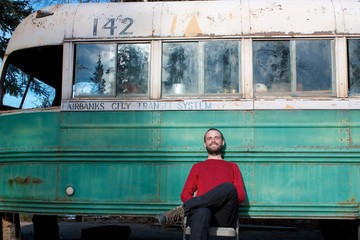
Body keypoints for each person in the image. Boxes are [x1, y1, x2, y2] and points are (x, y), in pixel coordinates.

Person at [156, 128, 246, 240]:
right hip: (201, 212)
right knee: (202, 211)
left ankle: (183, 209)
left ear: (222, 142)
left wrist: (214, 199)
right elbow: (185, 194)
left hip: (224, 215)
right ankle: (192, 206)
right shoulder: (197, 167)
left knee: (229, 187)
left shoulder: (233, 166)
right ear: (205, 144)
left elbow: (241, 196)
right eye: (209, 138)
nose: (213, 140)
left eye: (216, 137)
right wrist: (204, 204)